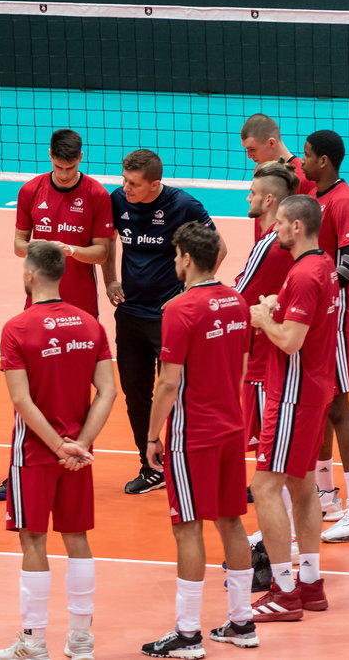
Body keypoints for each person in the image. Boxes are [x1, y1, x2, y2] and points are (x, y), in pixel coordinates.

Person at [0, 242, 115, 660]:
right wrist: (80, 443)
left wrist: (57, 444)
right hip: (79, 456)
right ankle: (81, 640)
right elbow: (108, 391)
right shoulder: (89, 325)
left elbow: (22, 401)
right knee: (77, 538)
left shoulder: (17, 328)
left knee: (34, 540)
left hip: (35, 453)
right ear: (61, 274)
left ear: (30, 276)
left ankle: (33, 642)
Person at [140, 222, 257, 658]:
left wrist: (152, 436)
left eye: (176, 255)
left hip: (194, 436)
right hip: (231, 427)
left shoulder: (180, 309)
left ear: (187, 259)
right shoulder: (238, 301)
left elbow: (168, 384)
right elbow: (241, 366)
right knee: (231, 521)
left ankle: (188, 634)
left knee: (186, 527)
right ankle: (242, 621)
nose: (174, 262)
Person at [0, 128, 112, 503]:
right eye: (58, 166)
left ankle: (74, 455)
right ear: (49, 157)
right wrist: (41, 248)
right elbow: (17, 246)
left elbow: (102, 253)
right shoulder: (31, 191)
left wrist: (71, 251)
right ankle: (18, 469)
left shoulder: (95, 194)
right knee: (30, 393)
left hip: (80, 311)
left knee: (78, 395)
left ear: (80, 159)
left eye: (70, 167)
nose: (63, 173)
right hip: (38, 310)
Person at [102, 149, 226, 495]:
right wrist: (110, 278)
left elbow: (217, 248)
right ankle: (151, 466)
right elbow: (107, 241)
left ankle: (187, 463)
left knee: (178, 393)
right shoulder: (117, 200)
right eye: (124, 180)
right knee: (135, 395)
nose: (126, 188)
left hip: (169, 318)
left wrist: (188, 293)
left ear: (155, 184)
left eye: (134, 184)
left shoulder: (183, 205)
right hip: (129, 314)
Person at [247, 195, 337, 623]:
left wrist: (263, 317)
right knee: (302, 488)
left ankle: (284, 591)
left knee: (265, 488)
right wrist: (275, 307)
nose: (274, 228)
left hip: (293, 397)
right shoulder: (324, 267)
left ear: (297, 227)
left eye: (280, 222)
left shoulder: (302, 274)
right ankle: (312, 584)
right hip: (315, 389)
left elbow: (290, 341)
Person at [301, 130, 349, 542]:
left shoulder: (343, 201)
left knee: (339, 406)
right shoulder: (319, 195)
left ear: (325, 160)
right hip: (321, 317)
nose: (305, 162)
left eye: (308, 156)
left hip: (337, 317)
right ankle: (326, 493)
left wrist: (311, 287)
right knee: (324, 404)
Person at [235, 161, 304, 562]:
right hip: (279, 358)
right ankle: (284, 532)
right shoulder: (292, 246)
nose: (247, 197)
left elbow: (237, 297)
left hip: (266, 363)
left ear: (270, 199)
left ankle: (284, 538)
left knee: (273, 459)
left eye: (252, 192)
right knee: (284, 459)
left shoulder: (268, 244)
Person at [240, 115, 317, 210]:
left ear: (271, 143)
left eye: (252, 149)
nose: (248, 156)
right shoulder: (262, 172)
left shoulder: (302, 178)